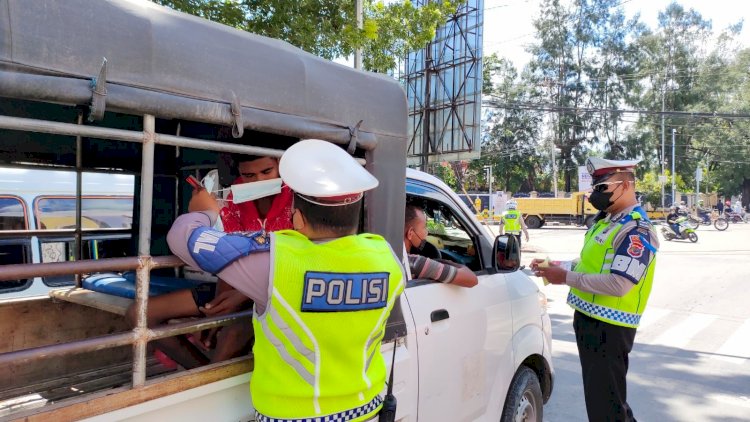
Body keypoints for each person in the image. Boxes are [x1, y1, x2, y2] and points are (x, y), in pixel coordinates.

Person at [166, 139, 405, 422]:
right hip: (365, 408)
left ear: (298, 219)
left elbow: (183, 239)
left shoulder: (277, 263)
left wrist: (203, 212)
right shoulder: (386, 259)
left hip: (293, 416)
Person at [124, 151, 293, 369]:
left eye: (266, 172)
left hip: (277, 291)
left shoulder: (296, 198)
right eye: (249, 176)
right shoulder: (233, 197)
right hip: (233, 285)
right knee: (138, 314)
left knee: (232, 332)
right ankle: (202, 373)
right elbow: (226, 256)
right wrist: (218, 305)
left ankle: (206, 379)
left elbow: (298, 260)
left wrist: (239, 298)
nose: (258, 181)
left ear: (280, 165)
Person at [531, 157, 659, 422]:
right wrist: (555, 266)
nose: (594, 195)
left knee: (606, 408)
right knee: (606, 401)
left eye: (602, 188)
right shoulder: (607, 222)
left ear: (624, 185)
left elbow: (619, 283)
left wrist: (565, 276)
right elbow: (587, 264)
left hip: (610, 328)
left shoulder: (637, 230)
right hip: (589, 320)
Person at [404, 204, 478, 287]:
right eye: (424, 227)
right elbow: (472, 279)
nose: (427, 232)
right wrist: (441, 262)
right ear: (410, 233)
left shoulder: (394, 257)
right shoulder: (416, 263)